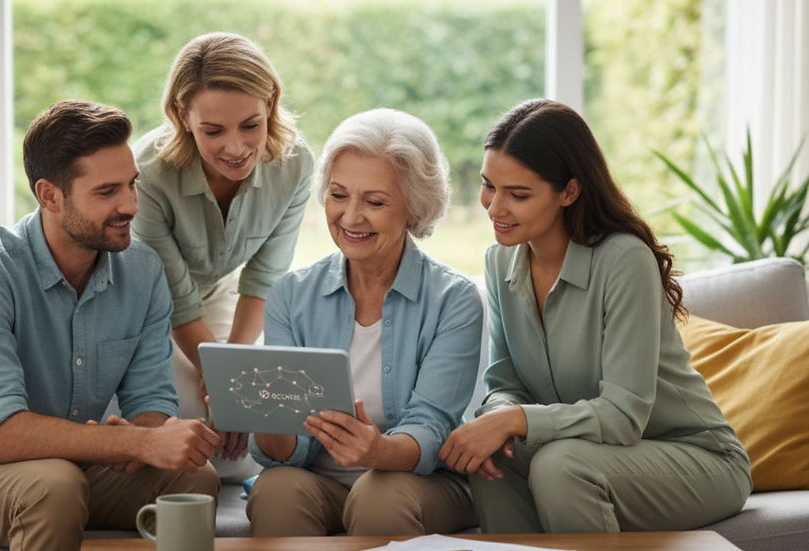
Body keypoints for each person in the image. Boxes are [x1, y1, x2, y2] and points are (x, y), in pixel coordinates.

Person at [0, 100, 220, 550]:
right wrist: (133, 444)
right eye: (107, 192)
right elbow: (2, 435)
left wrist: (149, 437)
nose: (130, 205)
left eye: (132, 184)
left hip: (71, 468)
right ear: (49, 195)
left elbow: (150, 400)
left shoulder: (143, 270)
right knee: (54, 486)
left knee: (193, 479)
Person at [439, 98, 752, 533]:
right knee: (491, 455)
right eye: (488, 185)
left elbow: (623, 416)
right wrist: (499, 418)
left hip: (698, 460)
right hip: (587, 453)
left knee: (559, 466)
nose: (494, 207)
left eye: (518, 194)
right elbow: (505, 384)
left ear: (569, 192)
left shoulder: (624, 260)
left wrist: (517, 419)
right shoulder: (500, 262)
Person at [246, 108, 483, 536]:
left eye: (374, 202)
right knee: (276, 489)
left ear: (414, 209)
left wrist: (379, 451)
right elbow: (288, 449)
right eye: (338, 195)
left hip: (415, 482)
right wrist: (264, 417)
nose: (351, 217)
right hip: (320, 480)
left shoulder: (454, 299)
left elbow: (430, 427)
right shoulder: (291, 295)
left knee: (379, 495)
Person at [132, 32, 314, 479]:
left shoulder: (295, 165)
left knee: (240, 452)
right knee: (194, 435)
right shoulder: (149, 174)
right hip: (148, 305)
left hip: (219, 291)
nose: (235, 148)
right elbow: (176, 299)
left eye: (250, 125)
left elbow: (264, 279)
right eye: (213, 131)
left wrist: (235, 375)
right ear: (182, 116)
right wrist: (224, 381)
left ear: (270, 104)